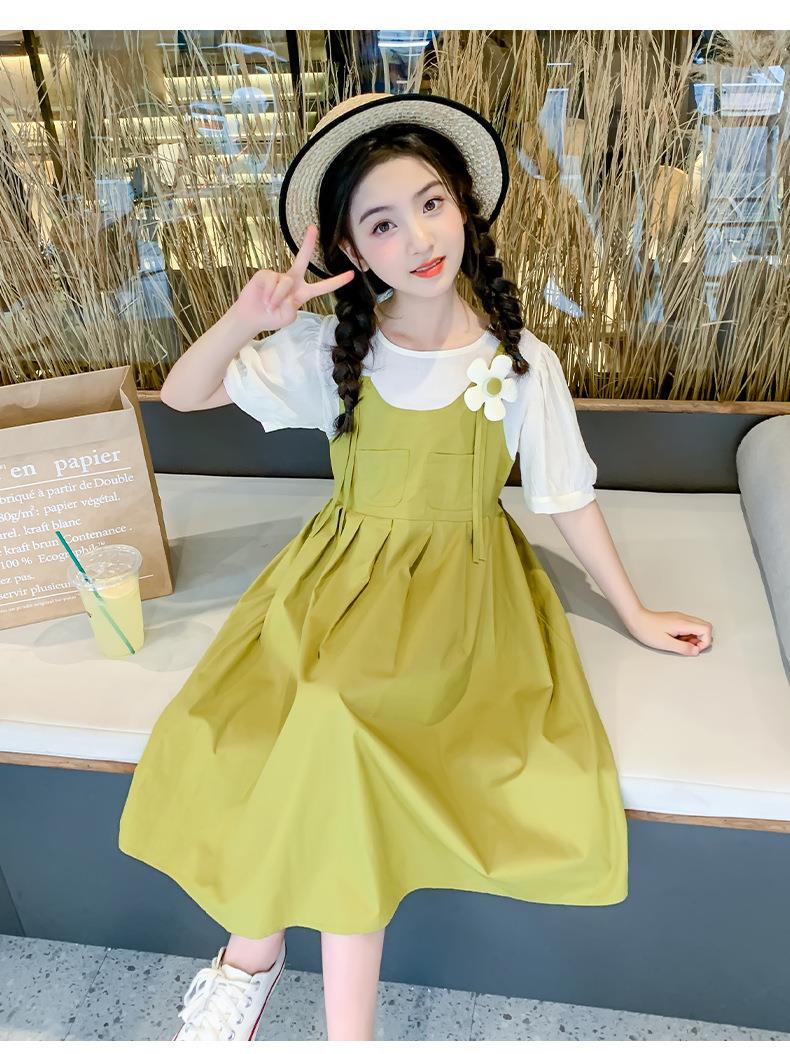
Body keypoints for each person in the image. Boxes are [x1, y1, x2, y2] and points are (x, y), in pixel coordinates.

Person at [117, 92, 713, 1042]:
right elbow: (185, 396)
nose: (419, 238)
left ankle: (267, 973)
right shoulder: (334, 349)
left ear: (465, 204)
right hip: (336, 578)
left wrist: (635, 613)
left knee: (335, 717)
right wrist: (244, 318)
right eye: (383, 223)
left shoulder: (522, 362)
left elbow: (565, 495)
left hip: (460, 590)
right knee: (289, 717)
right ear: (353, 252)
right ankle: (273, 974)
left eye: (431, 203)